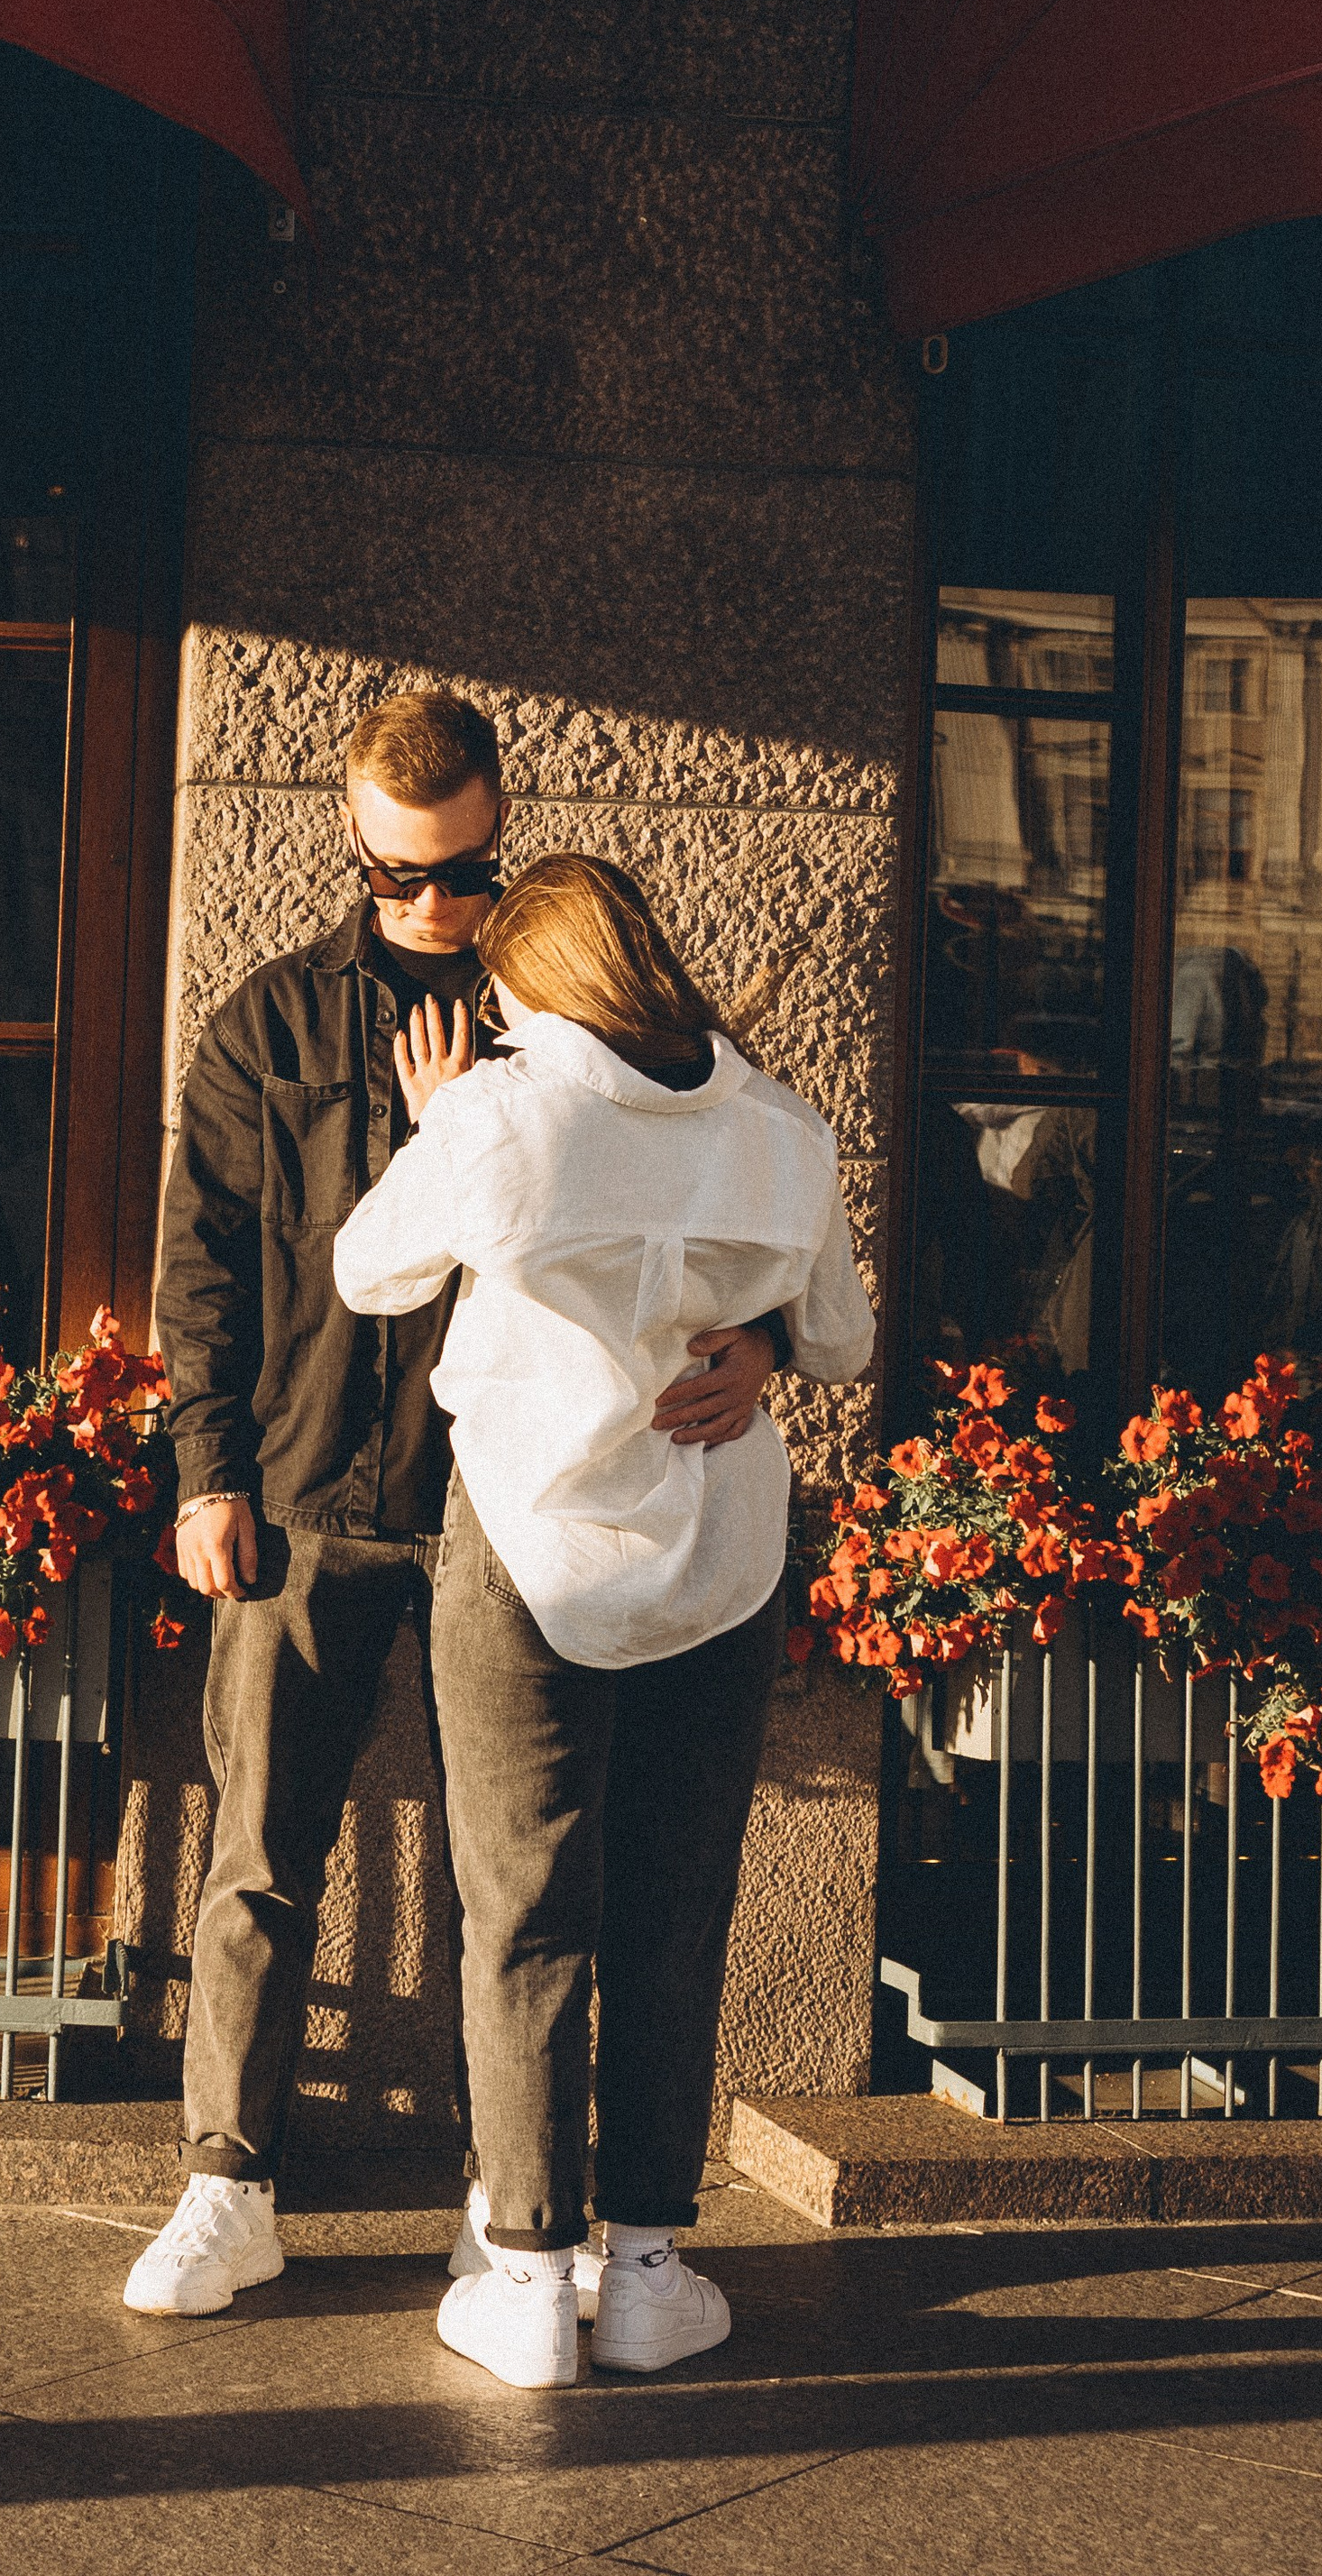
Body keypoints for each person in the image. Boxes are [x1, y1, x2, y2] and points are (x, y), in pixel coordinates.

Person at [123, 692, 786, 2318]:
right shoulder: (268, 1025)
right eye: (393, 874)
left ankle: (516, 2211)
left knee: (535, 1889)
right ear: (352, 847)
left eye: (464, 873)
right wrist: (209, 1475)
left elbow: (733, 1208)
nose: (429, 907)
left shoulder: (590, 1019)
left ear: (505, 835)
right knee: (261, 1854)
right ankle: (229, 2180)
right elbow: (202, 1264)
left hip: (533, 1520)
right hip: (308, 1496)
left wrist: (761, 1343)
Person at [332, 852, 871, 2389]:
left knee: (524, 1910)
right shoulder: (778, 1126)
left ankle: (519, 2279)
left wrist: (443, 1127)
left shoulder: (503, 1111)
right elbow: (838, 1335)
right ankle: (644, 2269)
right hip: (722, 1556)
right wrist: (755, 1335)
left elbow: (371, 1273)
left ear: (528, 979)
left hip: (527, 1546)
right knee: (673, 1906)